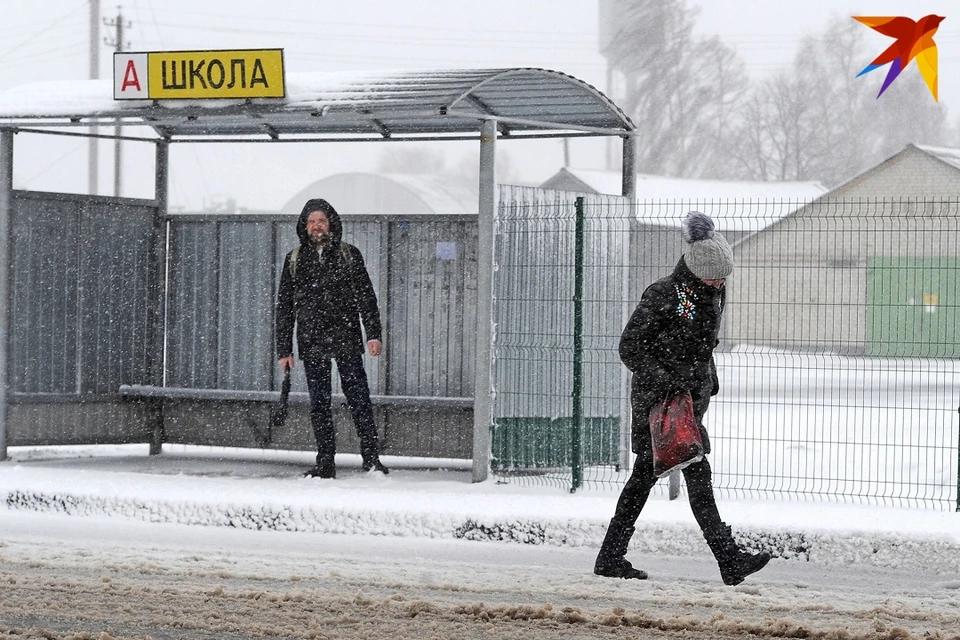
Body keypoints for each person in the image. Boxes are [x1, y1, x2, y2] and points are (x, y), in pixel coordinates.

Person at [594, 211, 770, 586]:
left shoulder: (712, 292)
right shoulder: (664, 294)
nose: (721, 282)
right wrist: (671, 380)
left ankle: (610, 556)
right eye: (715, 276)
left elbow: (703, 346)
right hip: (660, 405)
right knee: (693, 473)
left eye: (724, 276)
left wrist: (710, 377)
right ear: (695, 269)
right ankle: (728, 559)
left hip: (688, 402)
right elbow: (630, 347)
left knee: (644, 479)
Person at [275, 198, 389, 478]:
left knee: (359, 398)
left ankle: (371, 458)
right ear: (304, 226)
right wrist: (284, 349)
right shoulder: (294, 259)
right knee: (319, 404)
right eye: (311, 222)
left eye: (321, 221)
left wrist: (373, 333)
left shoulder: (349, 254)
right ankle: (325, 462)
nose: (316, 226)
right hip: (311, 341)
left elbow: (366, 296)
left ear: (331, 224)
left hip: (346, 336)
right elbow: (284, 307)